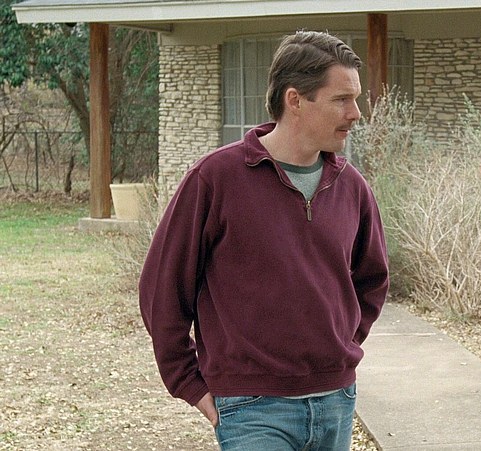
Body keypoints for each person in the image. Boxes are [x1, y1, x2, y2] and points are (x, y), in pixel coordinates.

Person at [139, 30, 389, 450]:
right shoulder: (215, 179)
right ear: (295, 100)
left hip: (336, 401)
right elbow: (162, 289)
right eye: (341, 99)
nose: (356, 113)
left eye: (356, 99)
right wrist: (187, 381)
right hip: (252, 408)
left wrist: (339, 347)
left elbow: (373, 280)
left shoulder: (352, 187)